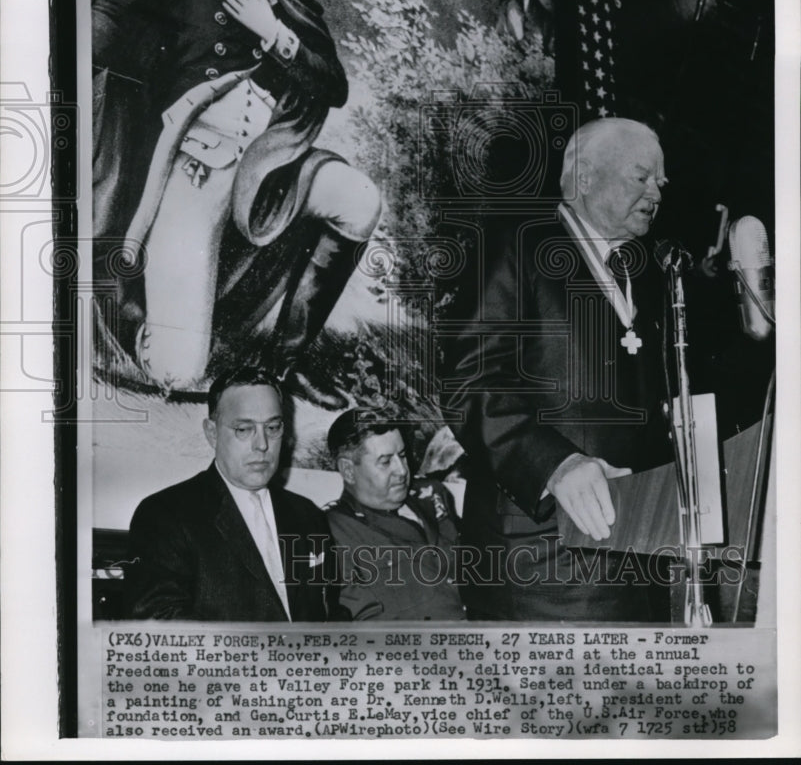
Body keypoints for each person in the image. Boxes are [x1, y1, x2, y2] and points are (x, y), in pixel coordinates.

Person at [92, 0, 381, 405]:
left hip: (268, 163)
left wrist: (270, 29)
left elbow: (332, 84)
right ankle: (125, 314)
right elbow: (106, 21)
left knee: (361, 201)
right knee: (177, 373)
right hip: (192, 163)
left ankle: (285, 361)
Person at [439, 117, 673, 621]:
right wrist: (556, 464)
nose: (657, 189)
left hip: (634, 557)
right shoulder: (516, 243)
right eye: (642, 176)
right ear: (584, 177)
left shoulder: (643, 271)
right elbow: (469, 381)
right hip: (541, 563)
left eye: (661, 181)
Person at [126, 367, 336, 621]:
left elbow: (327, 613)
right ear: (211, 433)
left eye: (272, 427)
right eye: (243, 429)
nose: (262, 445)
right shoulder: (165, 514)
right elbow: (161, 629)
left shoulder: (308, 516)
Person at [325, 410, 466, 621]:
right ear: (348, 470)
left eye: (402, 455)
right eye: (385, 461)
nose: (402, 470)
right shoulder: (335, 532)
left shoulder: (432, 494)